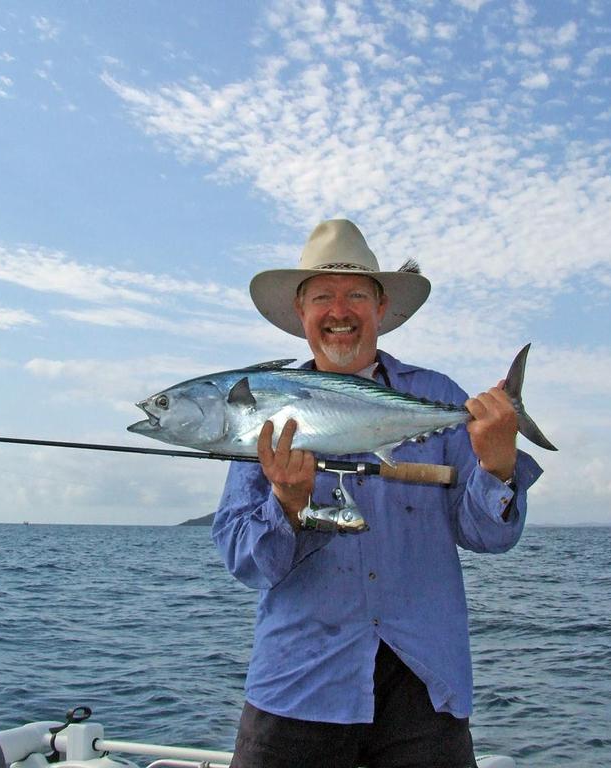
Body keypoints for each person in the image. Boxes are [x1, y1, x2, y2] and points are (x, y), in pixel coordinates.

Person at [212, 219, 543, 768]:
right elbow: (242, 560)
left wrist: (499, 465)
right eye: (323, 297)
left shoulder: (437, 396)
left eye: (355, 295)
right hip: (299, 680)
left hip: (423, 682)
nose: (339, 311)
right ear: (301, 313)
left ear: (381, 307)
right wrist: (286, 508)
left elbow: (489, 535)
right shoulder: (260, 403)